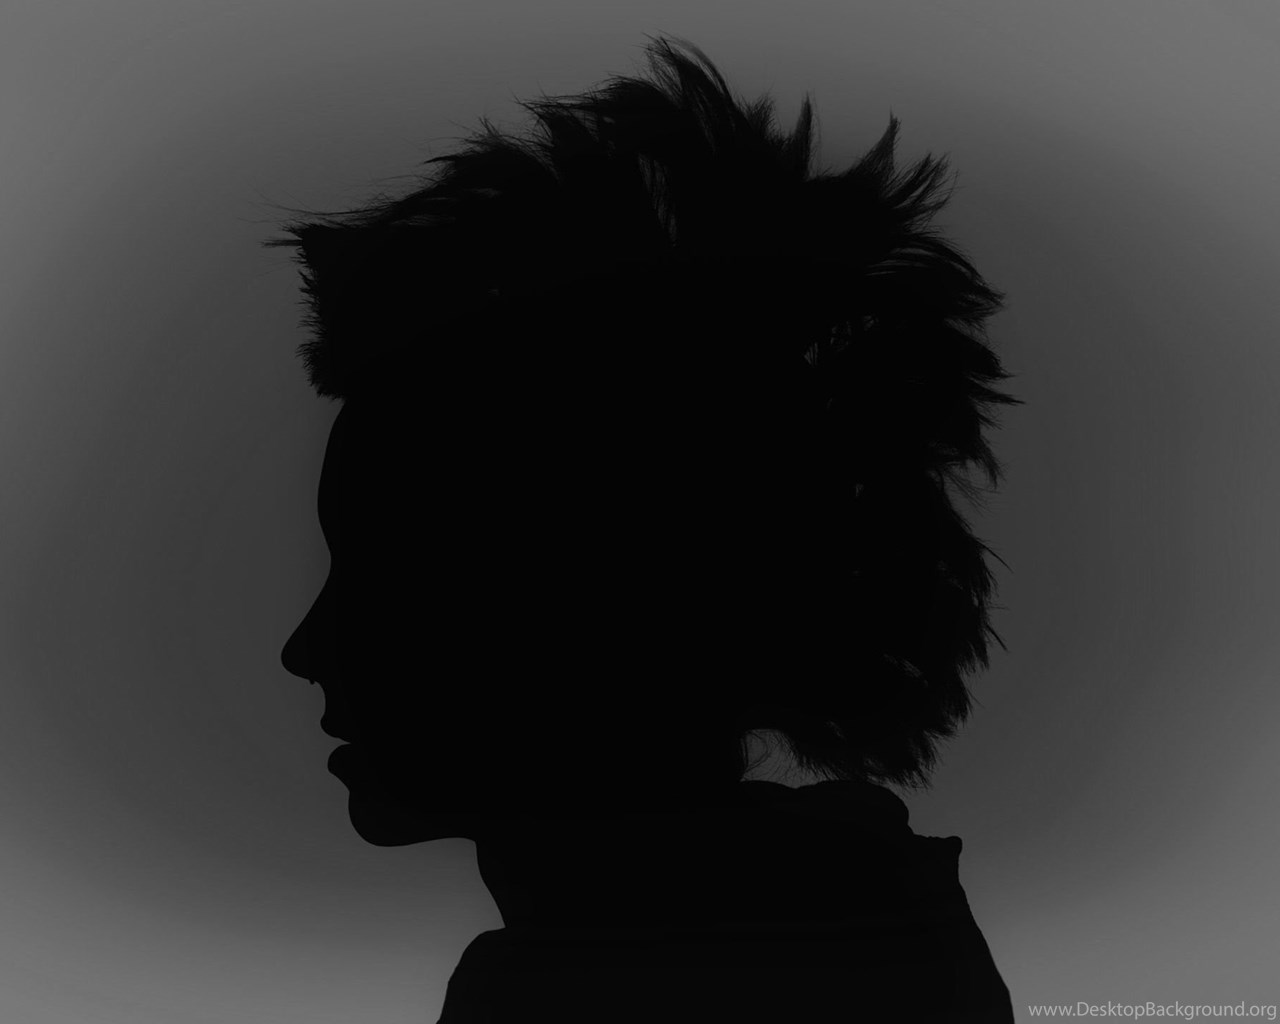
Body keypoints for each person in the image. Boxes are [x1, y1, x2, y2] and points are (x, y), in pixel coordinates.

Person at [271, 33, 1020, 1022]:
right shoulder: (855, 938)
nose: (305, 650)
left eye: (389, 579)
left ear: (589, 605)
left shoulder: (646, 985)